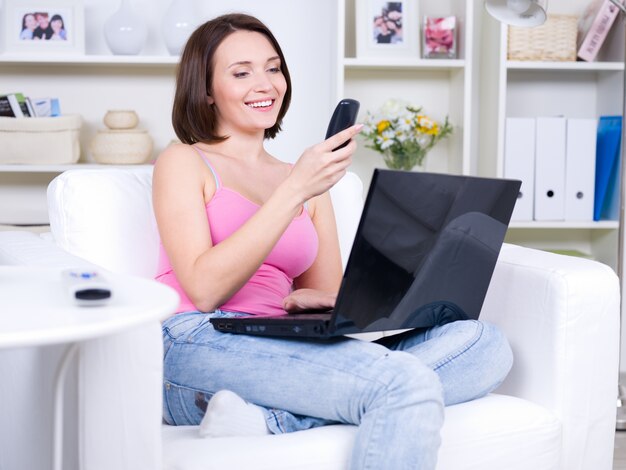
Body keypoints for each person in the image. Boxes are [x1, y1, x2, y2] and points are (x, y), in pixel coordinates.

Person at [153, 13, 513, 470]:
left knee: (483, 343)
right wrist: (294, 191)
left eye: (273, 67)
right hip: (201, 340)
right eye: (241, 72)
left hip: (287, 340)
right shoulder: (185, 161)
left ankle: (271, 420)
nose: (265, 84)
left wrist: (393, 288)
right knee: (401, 383)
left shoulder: (304, 177)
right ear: (205, 90)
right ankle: (296, 412)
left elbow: (329, 302)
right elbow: (203, 289)